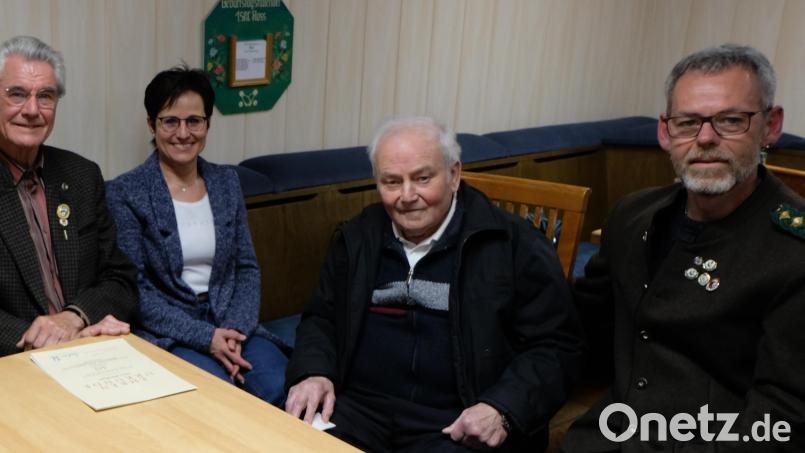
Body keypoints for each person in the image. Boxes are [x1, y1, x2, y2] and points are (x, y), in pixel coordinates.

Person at [284, 116, 582, 452]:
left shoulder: (515, 245)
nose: (407, 196)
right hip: (360, 411)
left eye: (422, 178)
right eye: (392, 182)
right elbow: (321, 318)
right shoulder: (357, 237)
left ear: (454, 175)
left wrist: (502, 408)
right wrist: (313, 372)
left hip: (456, 422)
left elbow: (557, 346)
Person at [561, 44, 805, 452]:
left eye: (730, 120)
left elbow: (784, 419)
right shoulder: (632, 215)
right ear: (664, 131)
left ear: (771, 126)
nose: (705, 139)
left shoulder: (794, 251)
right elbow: (582, 329)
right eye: (688, 122)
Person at [106, 66, 287, 405]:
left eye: (194, 121)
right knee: (217, 398)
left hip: (233, 322)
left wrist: (233, 332)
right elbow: (136, 289)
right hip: (171, 331)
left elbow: (246, 267)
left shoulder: (226, 182)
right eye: (170, 121)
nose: (183, 133)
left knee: (281, 386)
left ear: (207, 124)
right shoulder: (126, 192)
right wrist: (207, 337)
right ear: (151, 124)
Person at [0, 36, 137, 356]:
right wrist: (49, 339)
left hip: (92, 345)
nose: (32, 110)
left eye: (45, 96)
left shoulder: (82, 175)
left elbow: (121, 279)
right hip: (13, 361)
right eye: (16, 94)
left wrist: (74, 318)